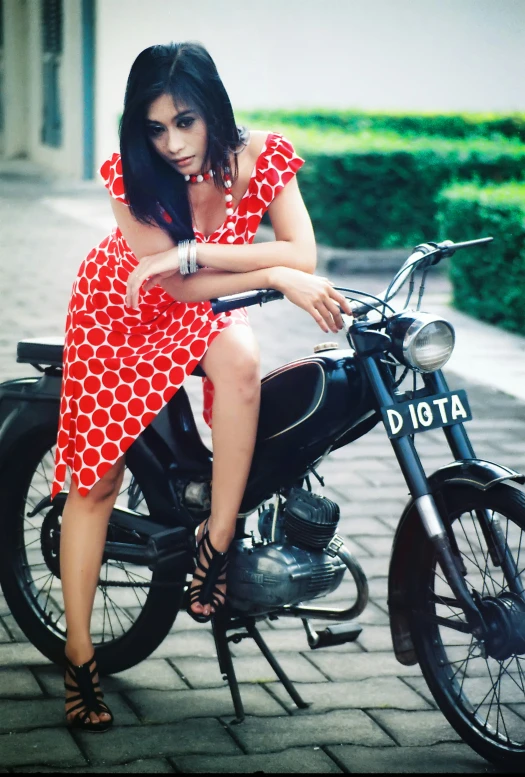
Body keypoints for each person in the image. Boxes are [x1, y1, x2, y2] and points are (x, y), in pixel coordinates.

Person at [51, 41, 353, 732]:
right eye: (155, 128)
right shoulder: (128, 173)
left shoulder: (266, 155)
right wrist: (268, 272)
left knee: (241, 360)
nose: (173, 143)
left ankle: (215, 545)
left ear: (214, 107)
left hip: (201, 297)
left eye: (185, 121)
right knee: (96, 480)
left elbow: (300, 253)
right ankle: (78, 653)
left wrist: (196, 248)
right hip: (119, 306)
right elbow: (187, 279)